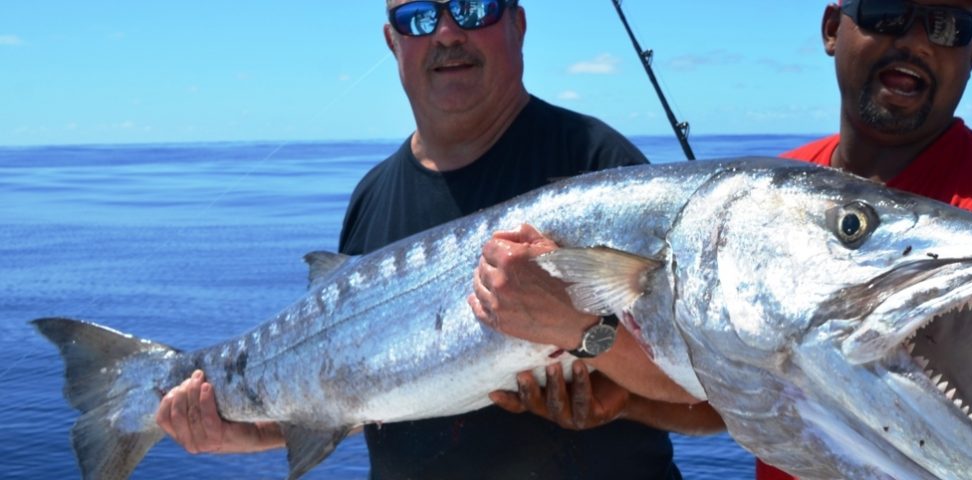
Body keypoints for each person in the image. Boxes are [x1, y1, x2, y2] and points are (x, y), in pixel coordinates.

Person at [156, 0, 704, 478]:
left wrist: (601, 355)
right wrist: (257, 433)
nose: (445, 32)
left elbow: (715, 401)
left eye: (473, 8)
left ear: (518, 22)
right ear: (393, 41)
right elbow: (375, 386)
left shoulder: (598, 170)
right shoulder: (372, 196)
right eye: (417, 17)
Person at [756, 0, 972, 478]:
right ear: (831, 29)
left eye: (947, 26)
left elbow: (962, 449)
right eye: (886, 12)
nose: (914, 41)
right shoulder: (775, 192)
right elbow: (726, 390)